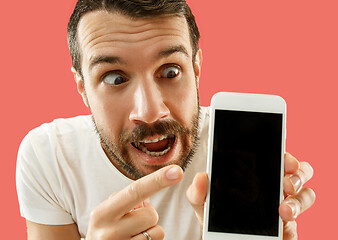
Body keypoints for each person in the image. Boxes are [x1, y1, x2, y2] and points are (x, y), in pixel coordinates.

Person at [16, 0, 315, 239]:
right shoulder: (50, 156)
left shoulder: (242, 147)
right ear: (82, 87)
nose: (149, 111)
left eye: (170, 71)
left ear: (196, 68)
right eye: (115, 78)